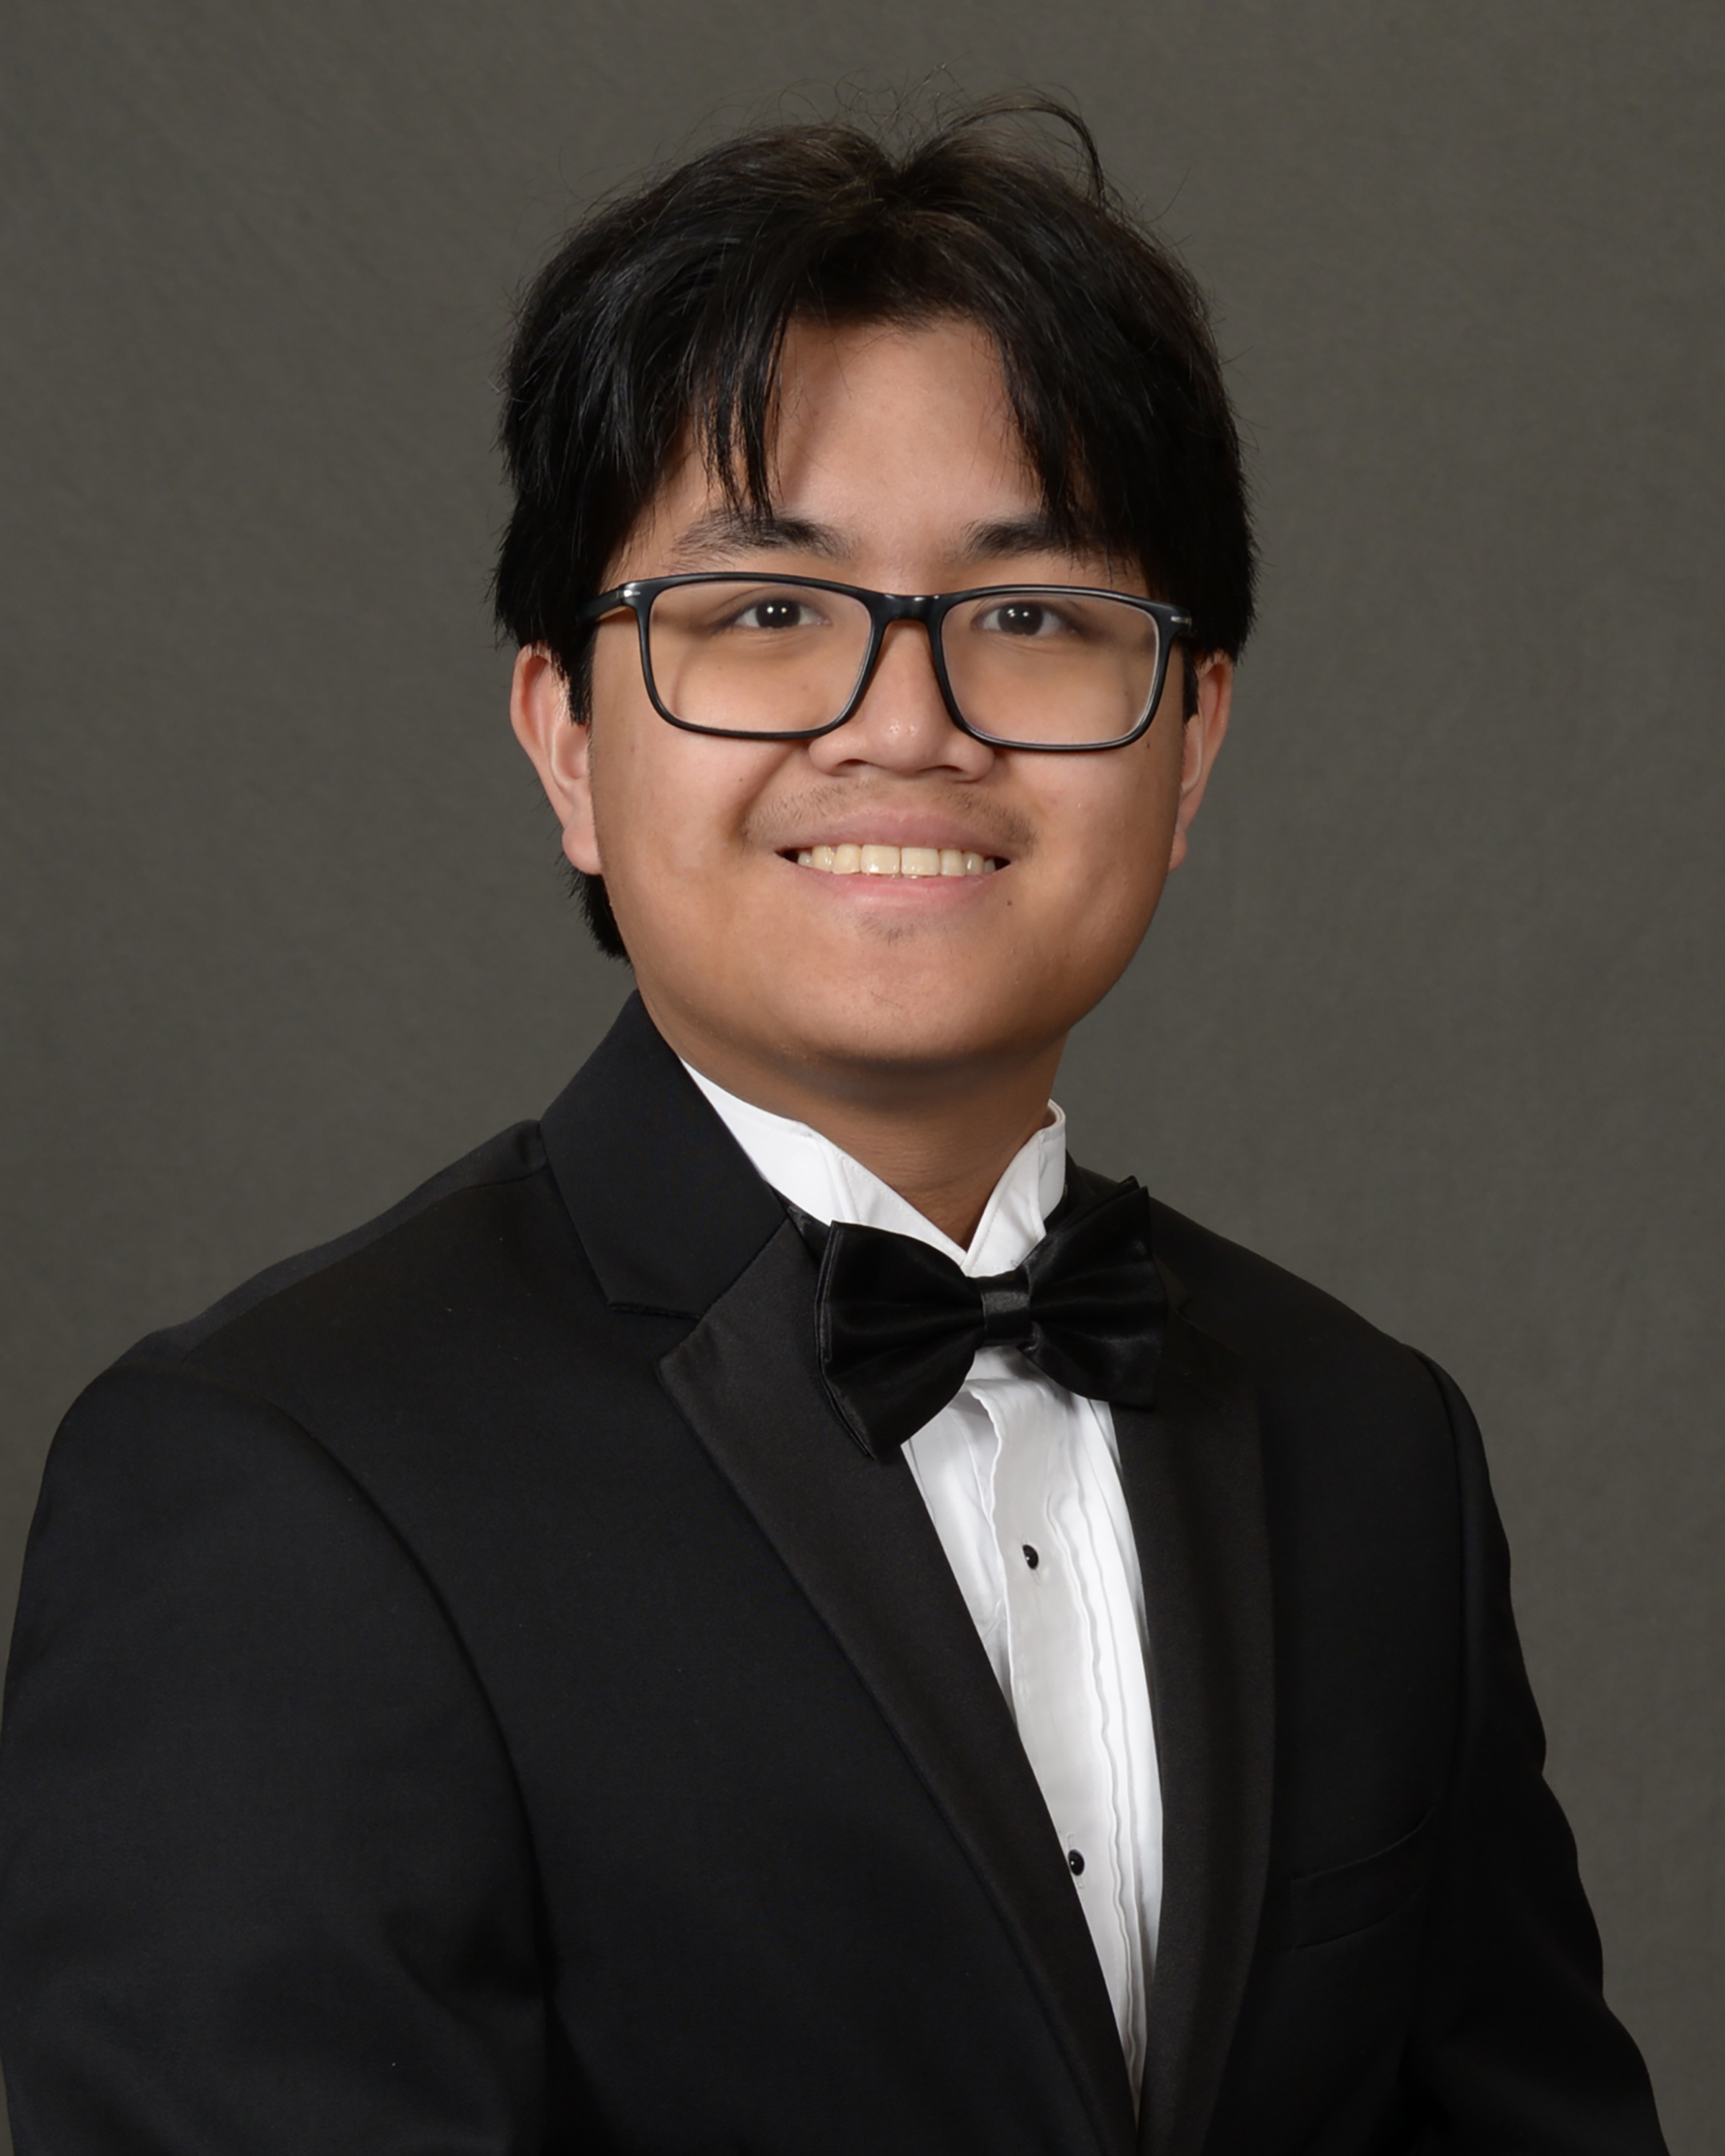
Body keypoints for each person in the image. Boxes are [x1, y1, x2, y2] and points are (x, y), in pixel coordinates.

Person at [0, 100, 1667, 2155]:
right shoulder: (273, 1483)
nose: (905, 723)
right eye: (766, 613)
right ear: (568, 742)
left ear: (1192, 742)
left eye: (1033, 616)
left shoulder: (1371, 1445)